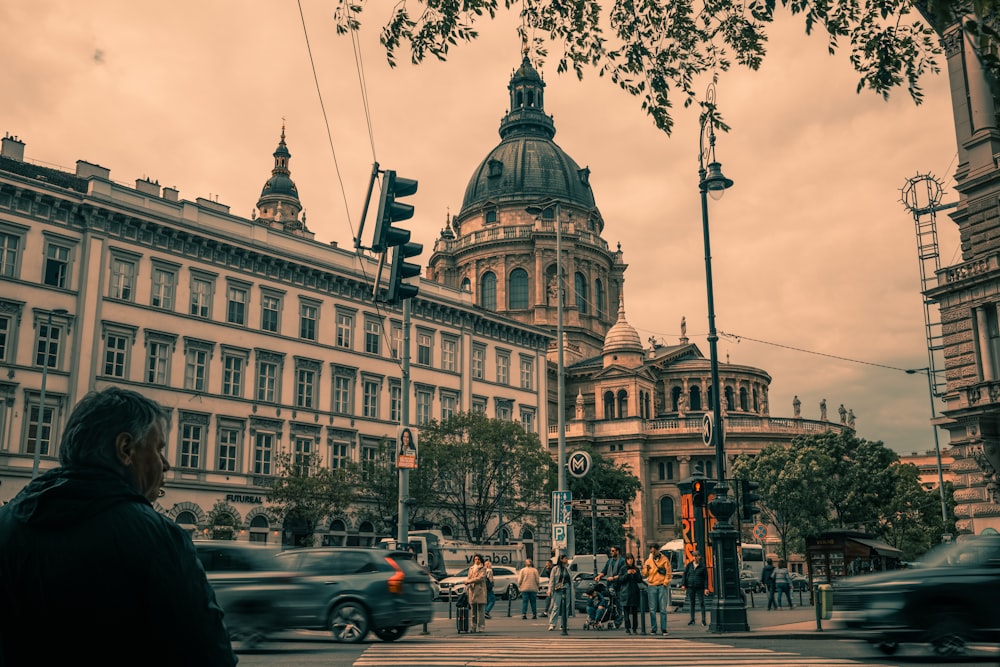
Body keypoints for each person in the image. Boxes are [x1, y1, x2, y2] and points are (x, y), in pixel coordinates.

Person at [0, 386, 237, 666]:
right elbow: (208, 654)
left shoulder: (8, 524)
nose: (166, 464)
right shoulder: (156, 537)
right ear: (125, 449)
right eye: (158, 449)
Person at [643, 542, 671, 636]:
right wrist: (646, 569)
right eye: (651, 551)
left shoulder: (665, 560)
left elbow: (668, 572)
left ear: (657, 550)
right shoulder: (648, 561)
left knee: (663, 609)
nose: (652, 553)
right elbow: (644, 574)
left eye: (654, 551)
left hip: (661, 585)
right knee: (652, 609)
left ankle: (664, 629)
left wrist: (665, 583)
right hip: (651, 585)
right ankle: (653, 628)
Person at [682, 551, 708, 626]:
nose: (695, 558)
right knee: (692, 603)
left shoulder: (702, 566)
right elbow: (685, 574)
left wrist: (706, 588)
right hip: (690, 586)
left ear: (699, 557)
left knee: (701, 603)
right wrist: (683, 584)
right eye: (693, 556)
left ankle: (703, 620)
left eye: (696, 556)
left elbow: (706, 578)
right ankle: (692, 619)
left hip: (699, 586)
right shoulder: (689, 565)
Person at [619, 553, 643, 635]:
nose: (630, 561)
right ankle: (627, 627)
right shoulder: (623, 568)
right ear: (626, 560)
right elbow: (620, 579)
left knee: (635, 611)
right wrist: (627, 574)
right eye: (629, 559)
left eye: (632, 559)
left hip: (634, 592)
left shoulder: (636, 568)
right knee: (626, 611)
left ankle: (635, 628)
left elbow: (639, 579)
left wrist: (635, 573)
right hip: (625, 592)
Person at [547, 553, 571, 631]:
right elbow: (552, 580)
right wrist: (550, 590)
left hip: (567, 588)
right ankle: (552, 624)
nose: (566, 560)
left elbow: (570, 580)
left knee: (566, 607)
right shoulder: (555, 569)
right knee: (556, 606)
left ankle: (563, 624)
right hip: (558, 589)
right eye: (565, 558)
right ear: (561, 560)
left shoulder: (567, 568)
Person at [465, 554, 488, 631]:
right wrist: (468, 581)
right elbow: (468, 577)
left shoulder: (483, 568)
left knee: (481, 611)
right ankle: (473, 626)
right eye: (475, 559)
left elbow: (480, 578)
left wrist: (469, 581)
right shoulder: (471, 568)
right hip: (472, 590)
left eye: (478, 559)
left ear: (481, 560)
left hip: (480, 590)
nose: (477, 560)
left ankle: (481, 627)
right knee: (473, 611)